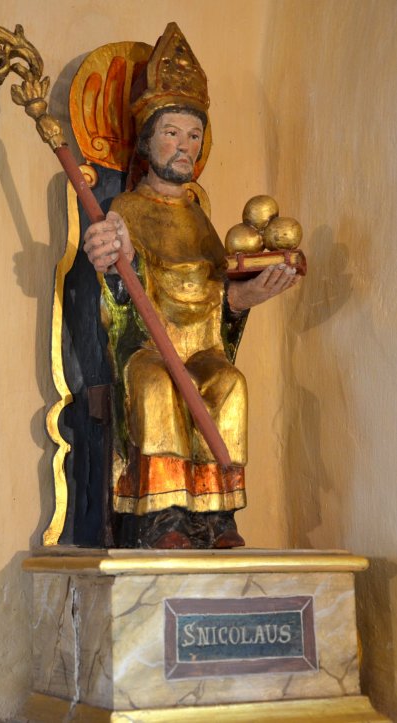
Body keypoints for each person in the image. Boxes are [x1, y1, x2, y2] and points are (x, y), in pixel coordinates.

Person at [83, 23, 298, 549]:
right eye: (172, 133)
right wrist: (113, 261)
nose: (185, 146)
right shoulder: (127, 207)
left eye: (194, 135)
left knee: (230, 385)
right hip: (149, 350)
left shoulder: (200, 214)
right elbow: (123, 298)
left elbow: (214, 296)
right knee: (156, 386)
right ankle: (162, 518)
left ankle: (216, 518)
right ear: (147, 140)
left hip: (201, 349)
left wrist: (245, 298)